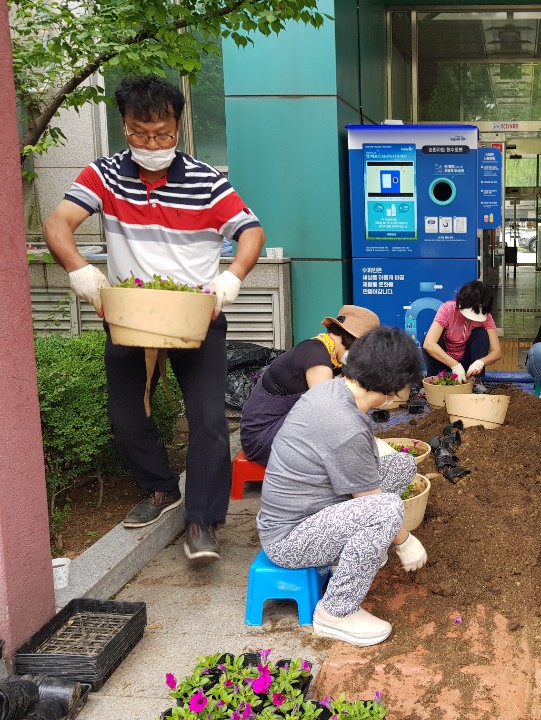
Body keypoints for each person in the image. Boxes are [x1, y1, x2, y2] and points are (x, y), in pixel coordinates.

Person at [42, 76, 265, 561]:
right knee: (126, 414)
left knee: (207, 417)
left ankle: (203, 521)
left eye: (162, 134)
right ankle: (162, 487)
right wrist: (81, 273)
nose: (151, 144)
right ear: (124, 126)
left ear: (179, 128)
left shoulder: (206, 180)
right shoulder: (103, 174)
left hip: (195, 315)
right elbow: (57, 223)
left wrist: (233, 278)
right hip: (130, 314)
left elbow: (250, 230)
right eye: (139, 134)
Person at [257, 326, 426, 647]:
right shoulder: (345, 422)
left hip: (310, 509)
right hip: (289, 538)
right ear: (390, 389)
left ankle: (362, 553)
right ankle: (335, 612)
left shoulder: (332, 390)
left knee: (402, 464)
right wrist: (405, 541)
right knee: (387, 511)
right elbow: (373, 502)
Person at [240, 305, 380, 465]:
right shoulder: (315, 354)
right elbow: (326, 410)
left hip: (283, 430)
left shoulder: (332, 358)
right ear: (349, 339)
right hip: (263, 438)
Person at [422, 281, 502, 384]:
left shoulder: (487, 318)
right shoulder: (447, 309)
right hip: (444, 359)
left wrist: (480, 362)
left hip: (467, 364)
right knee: (428, 339)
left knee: (481, 334)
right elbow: (429, 343)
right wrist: (454, 365)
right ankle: (431, 380)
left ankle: (476, 381)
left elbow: (497, 352)